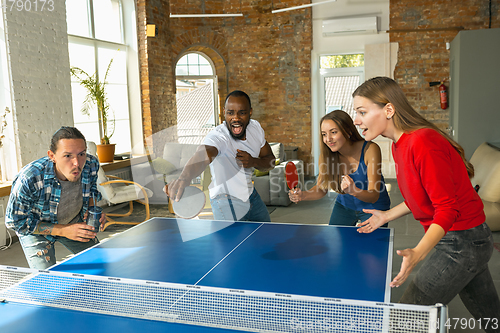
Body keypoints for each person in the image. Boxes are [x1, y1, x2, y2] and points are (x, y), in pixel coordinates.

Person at [353, 76, 499, 331]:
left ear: (389, 109)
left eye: (362, 112)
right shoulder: (399, 145)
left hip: (462, 243)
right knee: (491, 317)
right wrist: (385, 216)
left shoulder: (422, 142)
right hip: (468, 240)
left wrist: (418, 253)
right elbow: (419, 197)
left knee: (406, 320)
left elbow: (447, 208)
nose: (356, 120)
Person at [166, 90, 275, 222]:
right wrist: (184, 178)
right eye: (230, 113)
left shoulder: (255, 128)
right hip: (225, 200)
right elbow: (202, 155)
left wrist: (253, 162)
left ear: (250, 112)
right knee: (232, 242)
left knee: (266, 236)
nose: (236, 118)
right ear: (224, 112)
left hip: (250, 195)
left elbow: (271, 161)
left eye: (242, 112)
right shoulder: (218, 136)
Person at [6, 126, 106, 269]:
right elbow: (15, 222)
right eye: (67, 156)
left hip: (73, 222)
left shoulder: (91, 164)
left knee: (101, 264)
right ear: (52, 156)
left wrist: (92, 209)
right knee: (46, 281)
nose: (77, 163)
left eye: (81, 154)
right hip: (37, 230)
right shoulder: (30, 178)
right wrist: (63, 230)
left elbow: (92, 191)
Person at [288, 110, 391, 226]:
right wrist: (303, 195)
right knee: (335, 243)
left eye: (333, 132)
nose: (328, 139)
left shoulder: (370, 149)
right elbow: (322, 188)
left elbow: (374, 195)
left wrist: (354, 190)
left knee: (371, 244)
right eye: (324, 134)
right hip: (344, 206)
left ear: (347, 131)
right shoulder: (325, 157)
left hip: (374, 208)